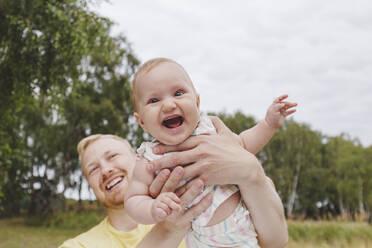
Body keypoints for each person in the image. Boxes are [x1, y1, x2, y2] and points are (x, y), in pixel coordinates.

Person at [125, 58, 295, 247]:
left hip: (246, 234)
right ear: (141, 121)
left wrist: (268, 125)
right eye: (154, 100)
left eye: (178, 93)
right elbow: (134, 199)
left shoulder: (212, 130)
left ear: (197, 102)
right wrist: (152, 208)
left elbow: (244, 144)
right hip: (205, 241)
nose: (169, 105)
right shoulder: (150, 157)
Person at [58, 134, 213, 248]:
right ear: (90, 185)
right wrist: (169, 229)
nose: (105, 170)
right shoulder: (78, 245)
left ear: (138, 158)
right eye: (93, 169)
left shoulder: (195, 213)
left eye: (112, 156)